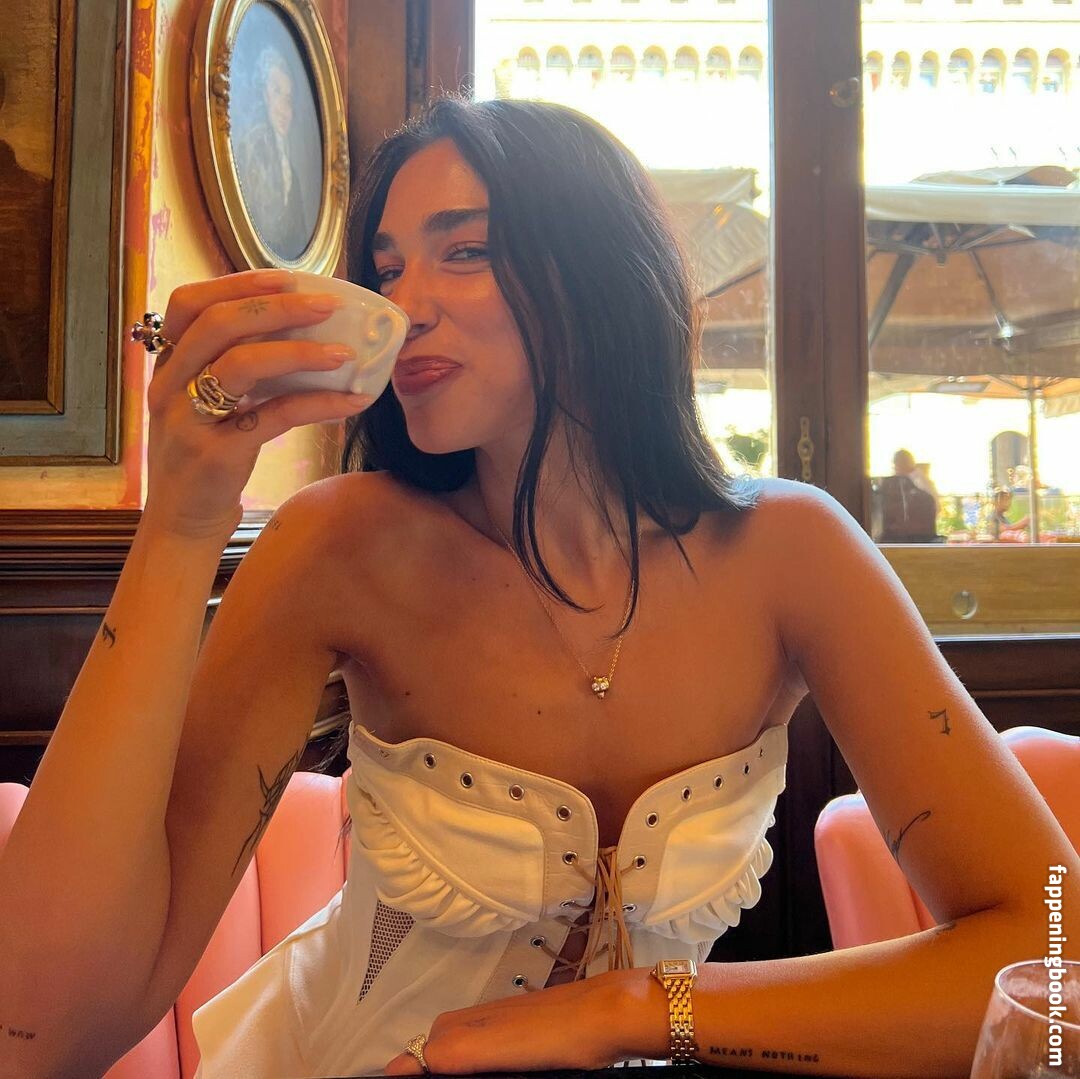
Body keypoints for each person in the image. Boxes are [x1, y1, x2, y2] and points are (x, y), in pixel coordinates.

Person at [0, 96, 1075, 1078]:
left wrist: (634, 1007)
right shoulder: (339, 548)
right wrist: (183, 520)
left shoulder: (792, 551)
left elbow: (1054, 962)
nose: (403, 307)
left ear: (602, 273)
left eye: (466, 251)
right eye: (386, 270)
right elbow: (40, 1030)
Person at [233, 45, 311, 261]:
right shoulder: (249, 153)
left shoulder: (291, 173)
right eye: (277, 92)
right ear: (262, 95)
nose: (284, 108)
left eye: (288, 98)